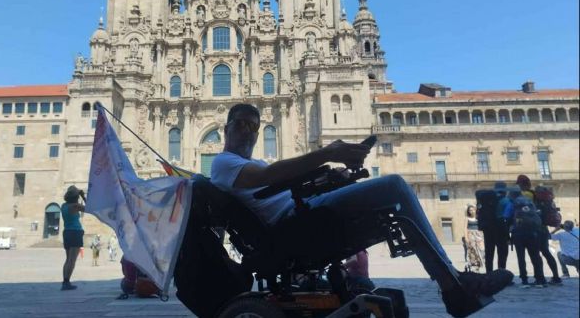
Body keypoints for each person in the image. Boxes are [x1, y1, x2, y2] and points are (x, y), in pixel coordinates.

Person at [211, 104, 513, 318]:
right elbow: (268, 178)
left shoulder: (253, 163)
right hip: (295, 223)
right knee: (394, 186)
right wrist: (329, 153)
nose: (248, 132)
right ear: (226, 129)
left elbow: (277, 178)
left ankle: (453, 282)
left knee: (395, 206)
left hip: (304, 214)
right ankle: (453, 286)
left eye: (254, 126)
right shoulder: (222, 163)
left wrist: (330, 178)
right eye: (241, 124)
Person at [516, 174, 562, 285]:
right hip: (543, 227)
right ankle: (556, 277)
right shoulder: (536, 195)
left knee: (535, 254)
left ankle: (540, 278)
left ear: (521, 184)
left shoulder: (526, 194)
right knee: (546, 252)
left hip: (534, 228)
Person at [507, 187, 546, 288]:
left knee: (521, 257)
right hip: (533, 233)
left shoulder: (512, 203)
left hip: (519, 234)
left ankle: (524, 280)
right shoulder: (529, 202)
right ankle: (540, 279)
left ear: (511, 195)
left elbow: (506, 216)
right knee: (535, 256)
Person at [480, 182, 511, 273]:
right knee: (502, 253)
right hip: (501, 228)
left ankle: (489, 273)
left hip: (488, 229)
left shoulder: (487, 199)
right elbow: (507, 217)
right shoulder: (505, 201)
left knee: (489, 252)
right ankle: (501, 273)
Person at [61, 185, 86, 290]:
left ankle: (65, 281)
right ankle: (67, 282)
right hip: (75, 233)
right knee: (72, 260)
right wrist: (83, 197)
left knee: (68, 259)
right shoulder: (75, 206)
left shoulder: (63, 206)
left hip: (66, 232)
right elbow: (89, 208)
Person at [464, 205, 484, 272]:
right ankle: (475, 266)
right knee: (473, 250)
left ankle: (479, 264)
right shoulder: (467, 218)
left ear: (475, 210)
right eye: (470, 210)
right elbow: (465, 228)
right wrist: (466, 238)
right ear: (468, 211)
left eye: (473, 210)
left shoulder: (478, 218)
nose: (472, 211)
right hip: (471, 235)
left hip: (479, 235)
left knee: (482, 250)